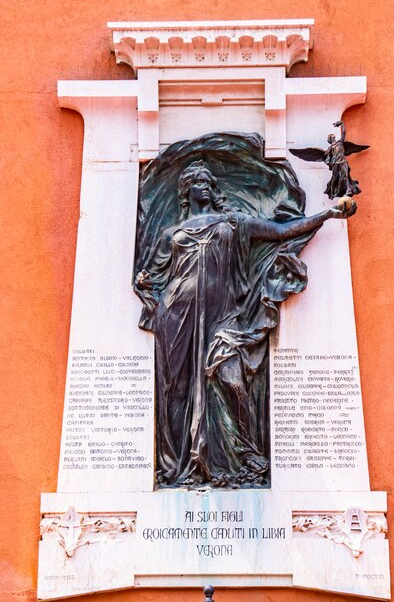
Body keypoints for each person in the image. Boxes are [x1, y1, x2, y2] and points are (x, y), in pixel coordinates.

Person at [135, 151, 356, 489]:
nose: (204, 186)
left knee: (233, 380)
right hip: (177, 315)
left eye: (208, 182)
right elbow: (152, 274)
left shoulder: (234, 222)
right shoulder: (172, 233)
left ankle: (247, 453)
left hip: (223, 317)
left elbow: (281, 232)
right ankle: (180, 464)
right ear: (185, 191)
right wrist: (146, 284)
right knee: (175, 389)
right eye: (197, 182)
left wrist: (327, 213)